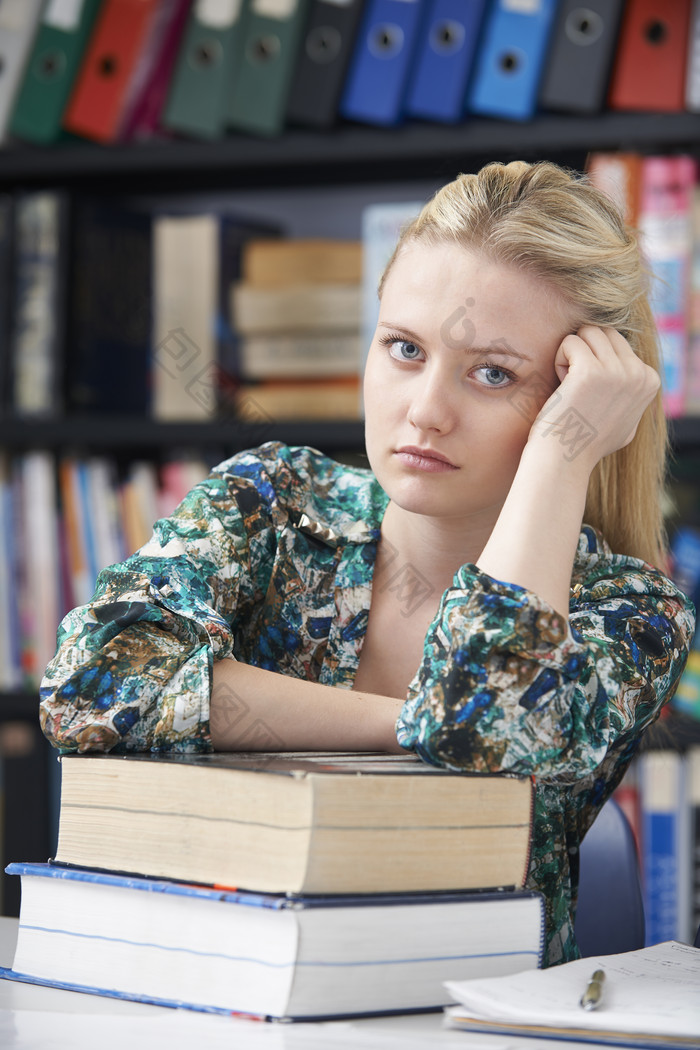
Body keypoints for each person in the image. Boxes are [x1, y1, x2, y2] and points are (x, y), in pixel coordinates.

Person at [40, 160, 695, 968]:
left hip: (465, 1019)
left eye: (494, 373)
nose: (425, 409)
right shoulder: (273, 502)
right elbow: (89, 683)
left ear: (579, 398)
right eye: (403, 348)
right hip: (216, 995)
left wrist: (564, 454)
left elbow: (483, 725)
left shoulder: (633, 613)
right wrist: (403, 728)